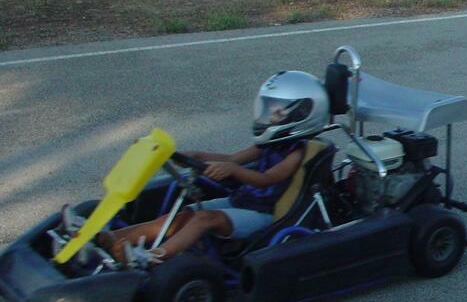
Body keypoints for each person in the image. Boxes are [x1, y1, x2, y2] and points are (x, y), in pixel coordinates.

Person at [80, 70, 329, 266]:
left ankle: (155, 257)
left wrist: (232, 172)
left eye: (275, 112)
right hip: (241, 200)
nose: (268, 116)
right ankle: (112, 238)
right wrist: (192, 156)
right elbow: (233, 158)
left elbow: (266, 179)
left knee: (203, 218)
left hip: (264, 215)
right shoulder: (269, 145)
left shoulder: (296, 153)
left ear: (300, 114)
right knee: (182, 215)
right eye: (269, 109)